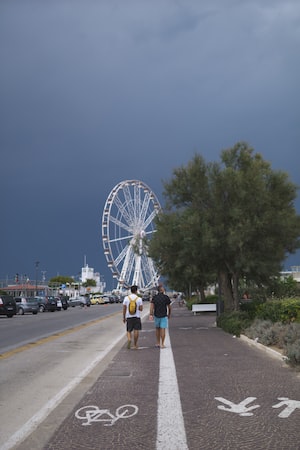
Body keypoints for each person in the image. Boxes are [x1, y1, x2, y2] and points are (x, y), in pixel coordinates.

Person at [122, 285, 143, 349]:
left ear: (130, 290)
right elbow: (141, 309)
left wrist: (124, 317)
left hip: (129, 317)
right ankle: (135, 344)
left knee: (129, 330)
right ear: (136, 290)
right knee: (136, 330)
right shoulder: (139, 299)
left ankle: (129, 339)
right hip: (137, 316)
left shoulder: (126, 298)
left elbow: (124, 308)